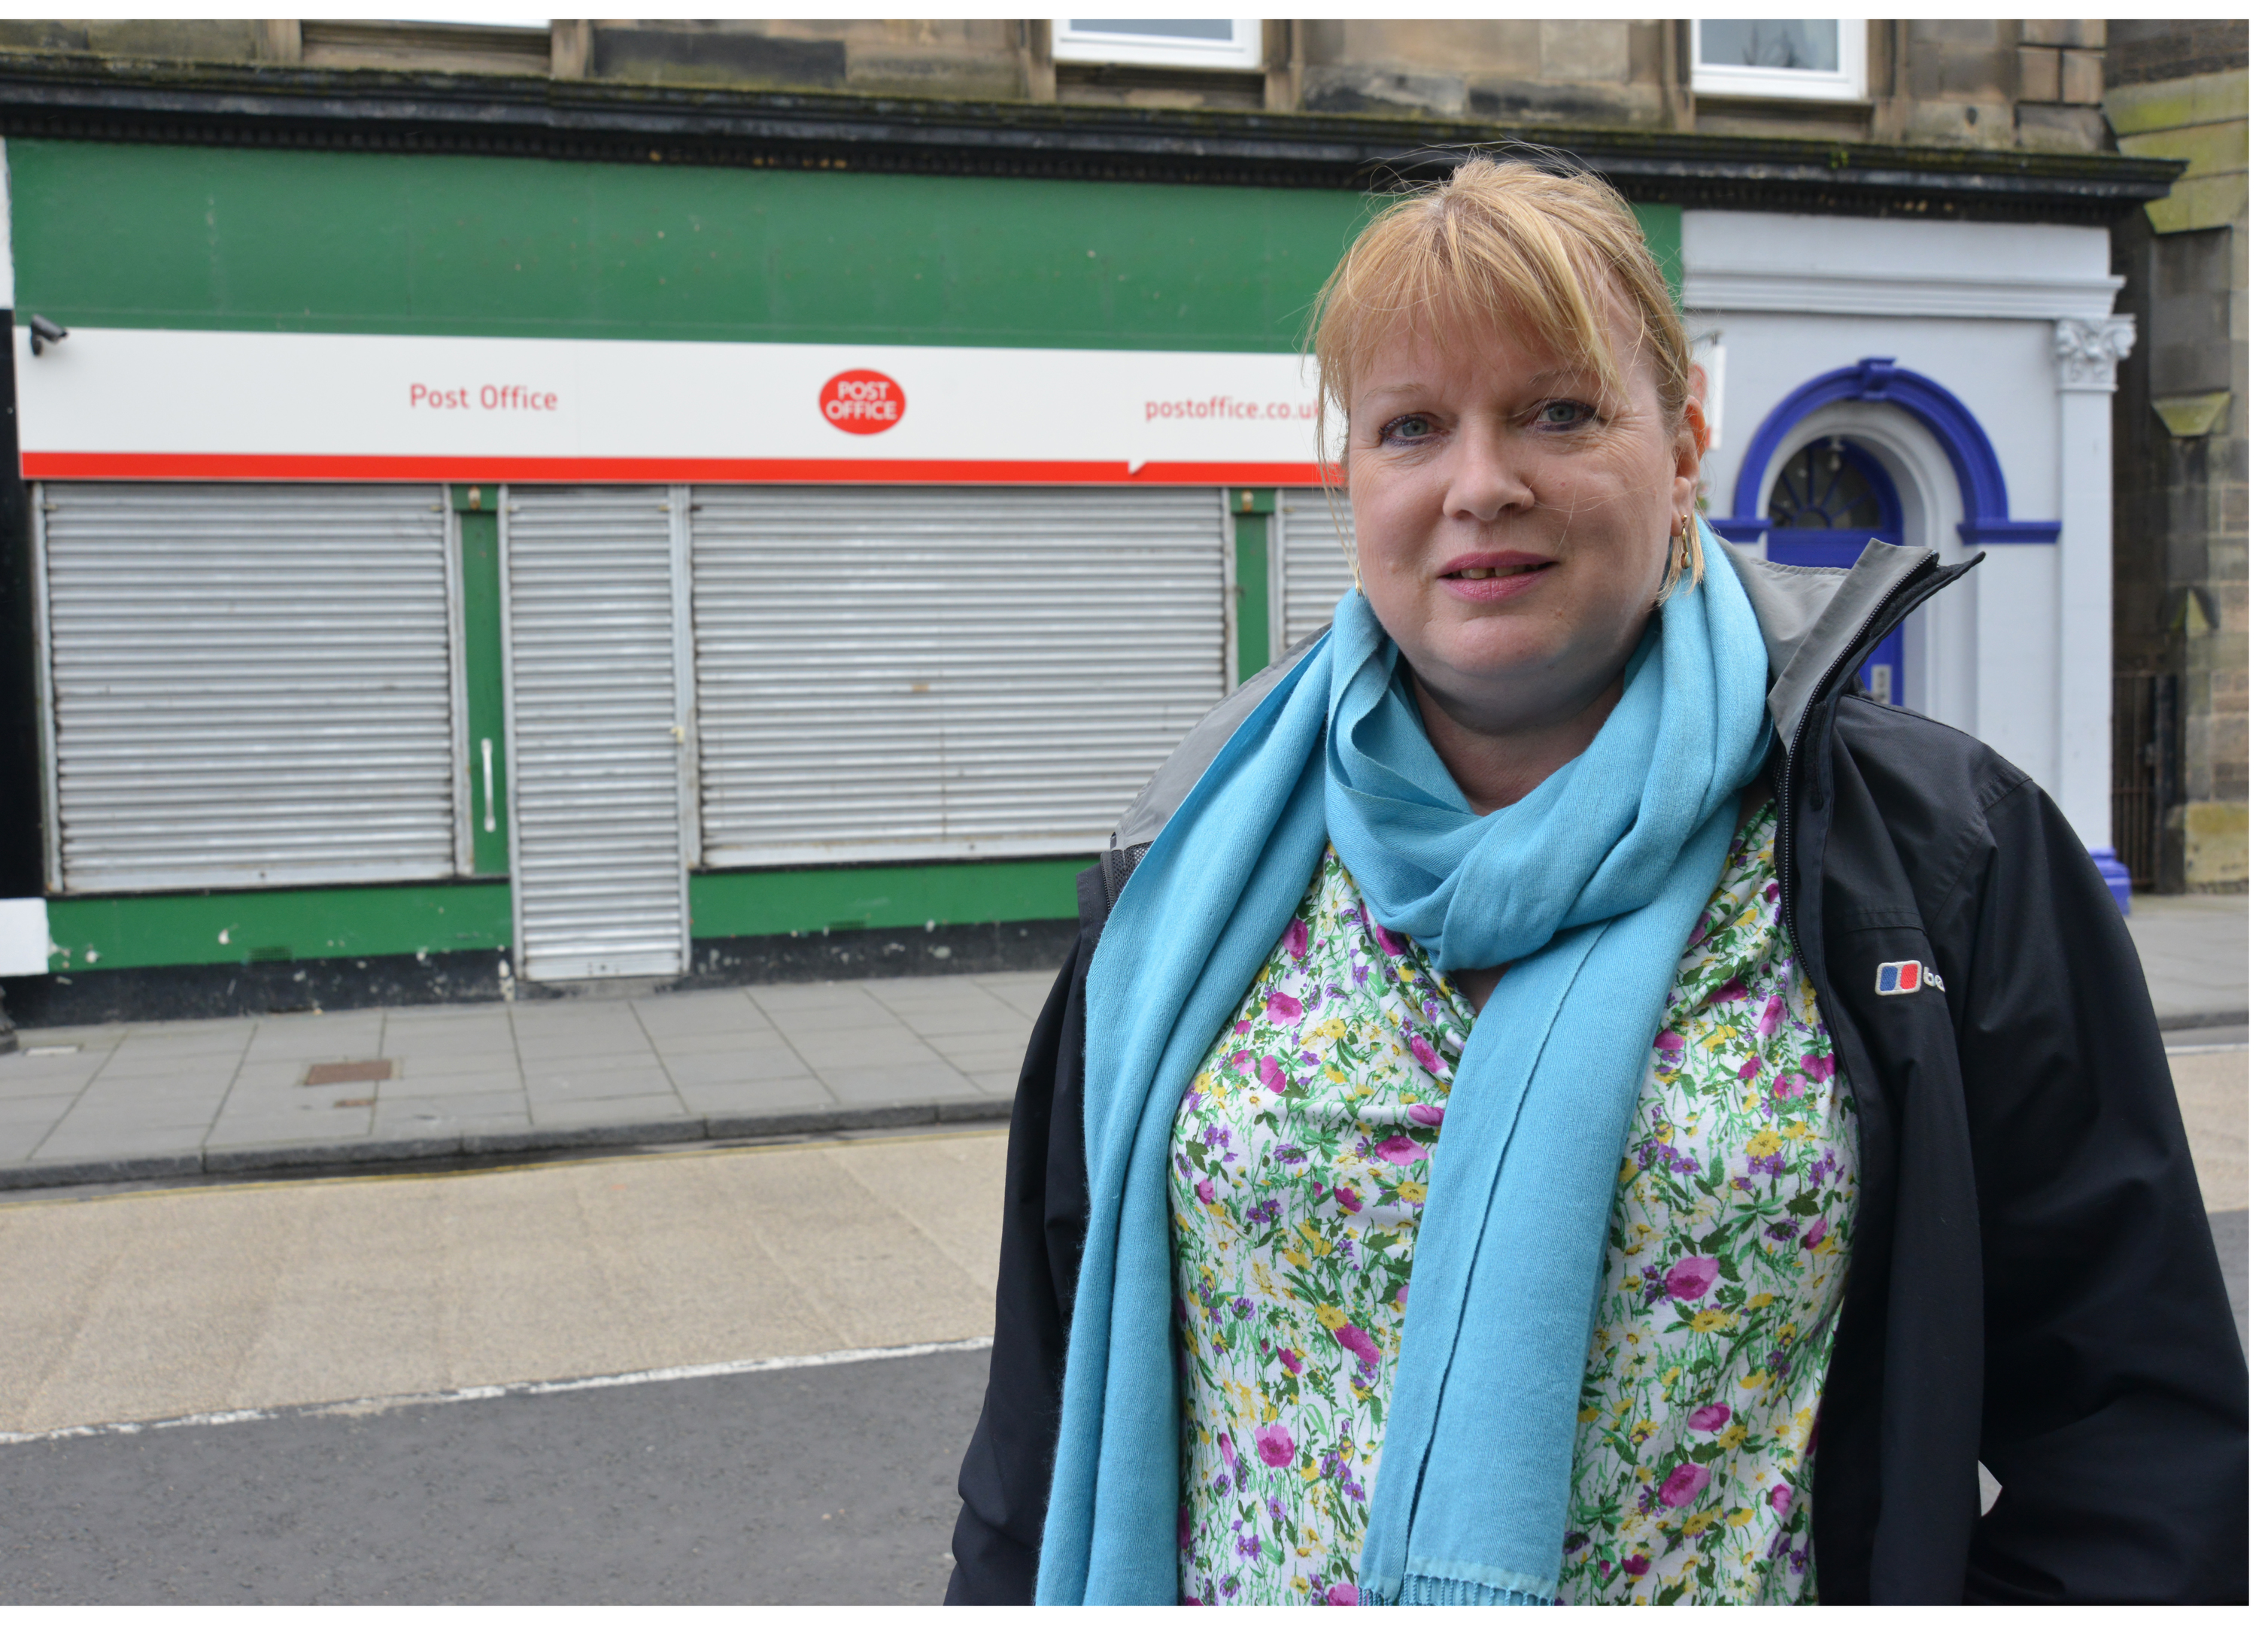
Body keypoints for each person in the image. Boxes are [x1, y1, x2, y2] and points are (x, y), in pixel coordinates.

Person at [944, 152, 2246, 1606]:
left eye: (1558, 411)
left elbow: (2135, 1434)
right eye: (1412, 427)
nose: (1480, 484)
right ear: (1349, 475)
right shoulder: (1187, 863)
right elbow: (1038, 1426)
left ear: (1684, 438)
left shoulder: (1946, 857)